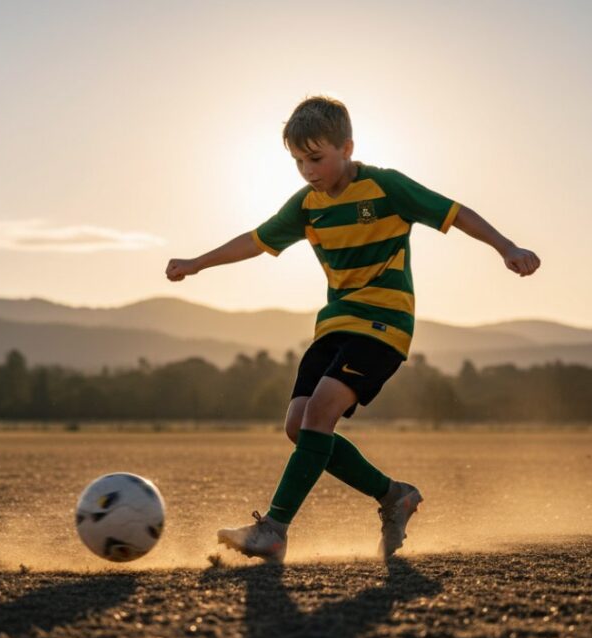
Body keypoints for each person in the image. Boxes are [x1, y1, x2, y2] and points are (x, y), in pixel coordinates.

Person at [165, 96, 540, 564]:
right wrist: (198, 263)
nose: (307, 170)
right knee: (298, 427)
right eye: (298, 161)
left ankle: (275, 531)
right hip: (335, 326)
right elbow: (256, 240)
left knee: (319, 415)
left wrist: (506, 247)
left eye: (316, 158)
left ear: (347, 148)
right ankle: (394, 495)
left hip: (384, 323)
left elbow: (454, 212)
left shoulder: (386, 187)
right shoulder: (307, 205)